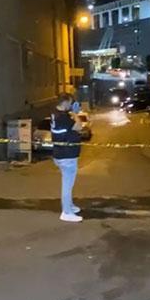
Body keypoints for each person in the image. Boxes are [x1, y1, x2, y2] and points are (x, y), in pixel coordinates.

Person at [51, 93, 84, 223]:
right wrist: (76, 114)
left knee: (68, 184)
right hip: (67, 155)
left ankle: (69, 206)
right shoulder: (63, 118)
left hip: (60, 153)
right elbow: (79, 126)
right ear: (64, 103)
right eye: (70, 103)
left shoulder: (55, 114)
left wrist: (71, 113)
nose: (71, 105)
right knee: (67, 185)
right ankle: (66, 212)